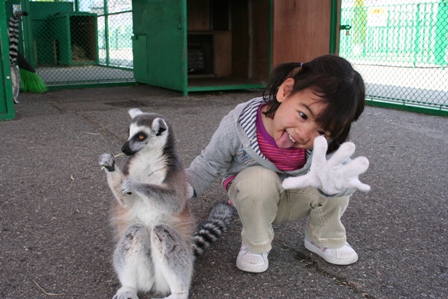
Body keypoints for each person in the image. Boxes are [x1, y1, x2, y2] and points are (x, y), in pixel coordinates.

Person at [185, 54, 370, 273]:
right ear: (286, 91)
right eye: (303, 115)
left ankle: (323, 238)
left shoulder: (323, 144)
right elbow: (209, 163)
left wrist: (338, 185)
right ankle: (256, 243)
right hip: (254, 198)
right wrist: (177, 190)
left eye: (321, 130)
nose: (304, 134)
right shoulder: (240, 123)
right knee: (258, 179)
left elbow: (344, 177)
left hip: (298, 197)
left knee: (335, 174)